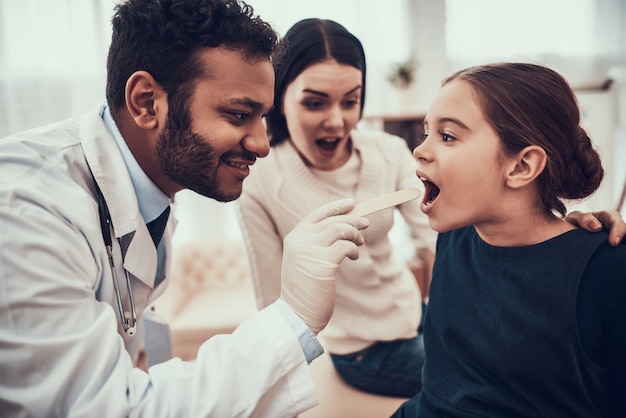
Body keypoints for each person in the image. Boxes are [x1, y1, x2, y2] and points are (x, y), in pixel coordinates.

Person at [0, 1, 370, 416]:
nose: (263, 144)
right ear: (146, 102)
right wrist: (295, 313)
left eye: (262, 117)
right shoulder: (25, 213)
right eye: (239, 114)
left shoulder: (151, 187)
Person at [235, 18, 626, 399]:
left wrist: (565, 237)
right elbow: (273, 304)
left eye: (351, 101)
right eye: (315, 102)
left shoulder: (393, 160)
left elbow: (455, 213)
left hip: (412, 317)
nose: (337, 120)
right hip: (359, 346)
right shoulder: (261, 180)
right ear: (279, 100)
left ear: (522, 165)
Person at [392, 62, 626, 417]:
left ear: (521, 167)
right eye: (427, 133)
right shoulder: (454, 238)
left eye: (448, 136)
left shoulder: (608, 272)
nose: (420, 150)